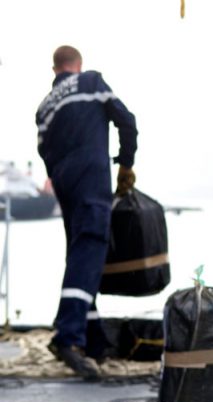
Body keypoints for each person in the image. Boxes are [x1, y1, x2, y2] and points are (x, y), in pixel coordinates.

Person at [35, 45, 138, 380]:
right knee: (90, 247)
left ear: (55, 69)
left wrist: (61, 175)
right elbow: (127, 121)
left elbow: (43, 150)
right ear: (77, 64)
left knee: (80, 254)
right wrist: (126, 164)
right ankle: (67, 337)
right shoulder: (91, 82)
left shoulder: (45, 106)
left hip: (64, 183)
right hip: (91, 178)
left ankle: (95, 342)